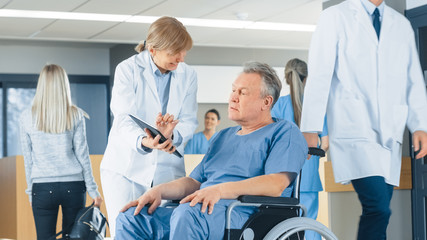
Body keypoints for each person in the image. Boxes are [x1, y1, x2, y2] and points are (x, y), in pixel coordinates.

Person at [114, 61, 308, 239]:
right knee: (132, 216)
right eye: (233, 90)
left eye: (242, 92)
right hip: (198, 212)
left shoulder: (284, 132)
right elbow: (194, 182)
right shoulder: (223, 136)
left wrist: (219, 190)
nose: (233, 98)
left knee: (187, 214)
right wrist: (158, 191)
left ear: (266, 102)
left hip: (244, 214)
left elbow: (276, 184)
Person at [300, 0, 427, 239]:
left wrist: (420, 124)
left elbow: (412, 77)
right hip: (353, 128)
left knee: (380, 209)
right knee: (378, 208)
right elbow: (320, 74)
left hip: (390, 133)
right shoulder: (335, 17)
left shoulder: (399, 24)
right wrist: (310, 127)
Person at [100, 16, 198, 236]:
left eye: (184, 51)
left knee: (165, 232)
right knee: (125, 229)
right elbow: (123, 117)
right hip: (126, 170)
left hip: (167, 172)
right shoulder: (128, 69)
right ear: (153, 49)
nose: (181, 58)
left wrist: (171, 137)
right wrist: (147, 141)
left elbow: (190, 119)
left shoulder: (188, 75)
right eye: (175, 52)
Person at [19, 64, 102, 240]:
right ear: (64, 85)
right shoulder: (76, 114)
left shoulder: (26, 117)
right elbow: (82, 155)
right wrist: (93, 190)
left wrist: (30, 191)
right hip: (73, 185)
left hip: (41, 187)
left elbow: (29, 160)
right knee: (74, 237)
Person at [271, 58, 328, 240]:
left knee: (286, 226)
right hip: (309, 179)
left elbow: (271, 142)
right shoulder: (316, 107)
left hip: (285, 178)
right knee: (309, 224)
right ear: (306, 78)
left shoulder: (278, 105)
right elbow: (325, 143)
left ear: (287, 79)